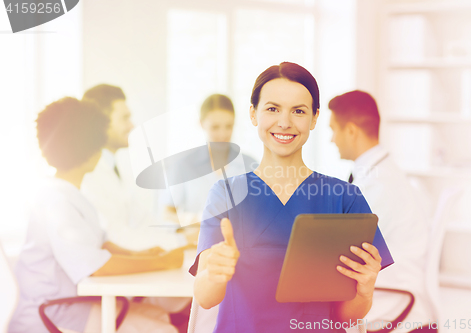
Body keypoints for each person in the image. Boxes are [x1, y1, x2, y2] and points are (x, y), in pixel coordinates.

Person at [190, 62, 394, 333]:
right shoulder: (225, 195)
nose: (284, 122)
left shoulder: (345, 198)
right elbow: (205, 297)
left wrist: (365, 291)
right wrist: (215, 275)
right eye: (272, 109)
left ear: (313, 118)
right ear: (253, 114)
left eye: (298, 111)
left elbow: (346, 317)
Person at [8, 97, 180, 333]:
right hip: (53, 313)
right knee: (163, 329)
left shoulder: (68, 194)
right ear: (91, 150)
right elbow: (95, 267)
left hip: (71, 304)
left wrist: (140, 255)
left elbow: (101, 244)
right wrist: (160, 263)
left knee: (159, 315)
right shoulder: (56, 200)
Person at [81, 84, 192, 330]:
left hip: (122, 279)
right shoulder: (90, 175)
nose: (131, 125)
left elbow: (140, 222)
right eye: (124, 117)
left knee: (185, 306)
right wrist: (178, 243)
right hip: (102, 289)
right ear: (101, 121)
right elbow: (115, 235)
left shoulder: (114, 167)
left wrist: (181, 237)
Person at [328, 90, 432, 332]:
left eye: (333, 129)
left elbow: (341, 254)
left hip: (396, 303)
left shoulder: (377, 186)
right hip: (394, 289)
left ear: (351, 131)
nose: (331, 139)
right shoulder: (381, 174)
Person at [163, 93, 257, 226]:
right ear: (201, 124)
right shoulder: (183, 165)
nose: (223, 134)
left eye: (228, 126)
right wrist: (193, 220)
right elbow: (167, 213)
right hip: (195, 242)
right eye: (215, 127)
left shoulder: (250, 165)